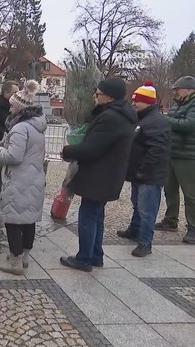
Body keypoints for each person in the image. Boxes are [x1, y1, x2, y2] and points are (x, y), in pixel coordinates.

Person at [59, 77, 137, 272]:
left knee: (87, 216)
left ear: (110, 97)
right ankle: (95, 255)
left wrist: (67, 151)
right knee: (96, 215)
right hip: (107, 175)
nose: (95, 96)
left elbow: (92, 149)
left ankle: (84, 259)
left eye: (98, 93)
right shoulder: (121, 114)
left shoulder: (111, 118)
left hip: (98, 176)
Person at [0, 80, 46, 275]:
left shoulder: (20, 128)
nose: (10, 107)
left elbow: (14, 156)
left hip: (19, 180)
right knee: (28, 219)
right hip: (34, 179)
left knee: (13, 220)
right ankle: (24, 257)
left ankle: (14, 262)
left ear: (21, 108)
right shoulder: (37, 126)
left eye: (13, 105)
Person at [116, 82, 171, 257]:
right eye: (133, 100)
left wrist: (143, 171)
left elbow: (156, 151)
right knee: (137, 205)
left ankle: (145, 242)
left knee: (147, 209)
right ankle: (134, 229)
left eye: (137, 100)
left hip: (149, 175)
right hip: (139, 173)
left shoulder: (157, 121)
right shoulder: (142, 118)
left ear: (148, 102)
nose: (133, 103)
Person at [154, 76, 195, 244]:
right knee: (170, 189)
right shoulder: (179, 104)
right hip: (172, 152)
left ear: (188, 89)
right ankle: (170, 220)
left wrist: (166, 120)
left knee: (190, 193)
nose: (175, 92)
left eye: (177, 89)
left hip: (188, 156)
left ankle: (193, 228)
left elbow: (189, 124)